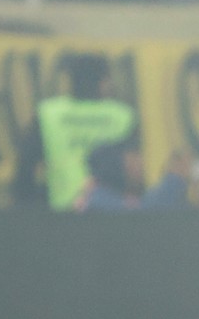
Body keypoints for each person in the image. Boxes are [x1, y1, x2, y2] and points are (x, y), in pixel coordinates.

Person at [13, 53, 139, 210]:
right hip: (114, 214)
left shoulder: (49, 114)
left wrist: (30, 212)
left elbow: (25, 169)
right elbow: (135, 173)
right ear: (103, 82)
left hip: (63, 215)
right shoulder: (122, 116)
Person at [75, 140, 190, 212]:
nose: (142, 164)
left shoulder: (108, 195)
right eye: (133, 161)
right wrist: (174, 179)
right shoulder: (98, 200)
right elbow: (142, 215)